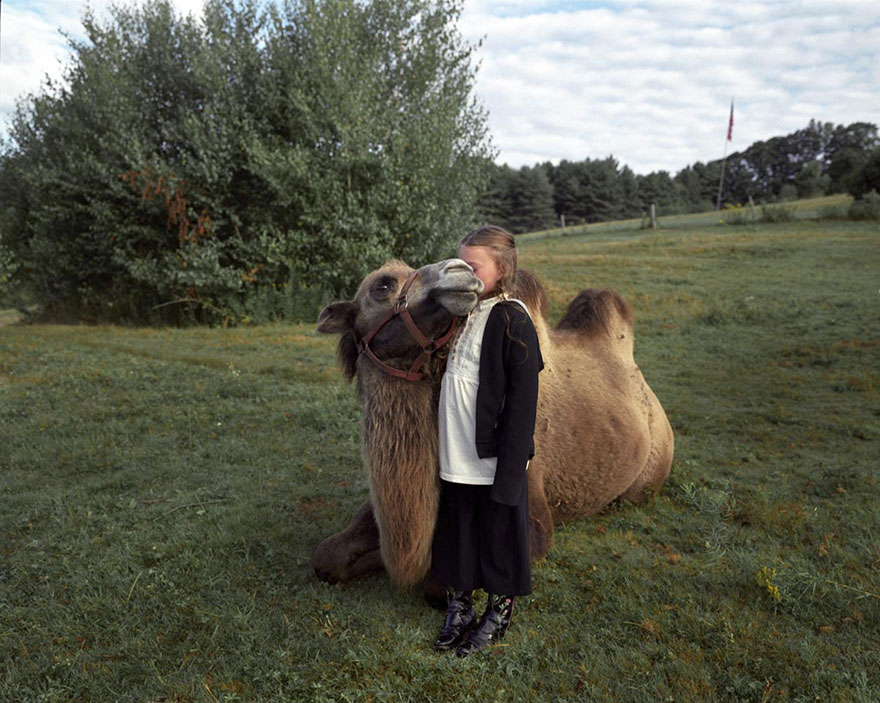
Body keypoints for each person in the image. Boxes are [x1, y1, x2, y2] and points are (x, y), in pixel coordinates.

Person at [430, 224, 544, 657]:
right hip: (456, 446)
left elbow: (522, 401)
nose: (465, 276)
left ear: (503, 268)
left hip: (496, 454)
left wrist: (512, 469)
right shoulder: (461, 314)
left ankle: (499, 610)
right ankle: (459, 605)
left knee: (499, 530)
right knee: (458, 526)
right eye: (461, 265)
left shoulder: (513, 318)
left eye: (473, 268)